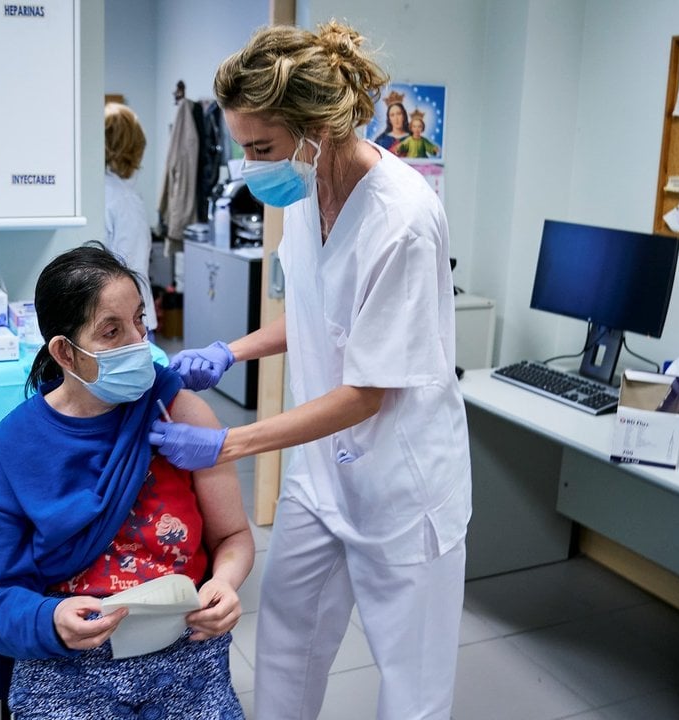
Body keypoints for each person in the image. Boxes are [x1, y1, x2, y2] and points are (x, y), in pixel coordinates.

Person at [149, 20, 471, 720]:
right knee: (287, 645)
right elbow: (318, 316)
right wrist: (229, 352)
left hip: (402, 486)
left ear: (315, 128)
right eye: (241, 147)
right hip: (322, 478)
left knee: (412, 688)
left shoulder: (403, 220)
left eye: (260, 147)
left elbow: (367, 391)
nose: (249, 166)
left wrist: (228, 445)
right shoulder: (304, 197)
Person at [0, 243, 253, 720]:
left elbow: (234, 536)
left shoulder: (177, 412)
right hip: (68, 665)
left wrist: (224, 584)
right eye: (111, 332)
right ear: (65, 353)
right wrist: (51, 620)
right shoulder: (15, 447)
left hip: (188, 651)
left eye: (139, 321)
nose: (138, 343)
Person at [104, 102, 159, 341]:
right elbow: (132, 270)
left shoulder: (92, 191)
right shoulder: (124, 200)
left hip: (106, 322)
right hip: (131, 323)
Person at [373, 90, 410, 156]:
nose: (396, 118)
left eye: (399, 113)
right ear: (389, 119)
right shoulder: (381, 140)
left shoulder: (413, 138)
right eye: (392, 115)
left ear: (404, 116)